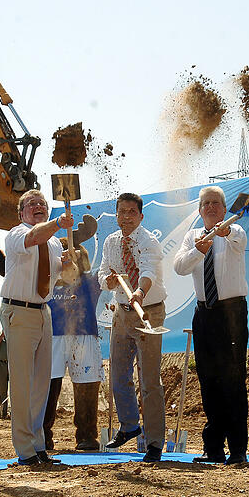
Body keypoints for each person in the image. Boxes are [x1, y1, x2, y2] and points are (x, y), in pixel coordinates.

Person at [173, 185, 249, 465]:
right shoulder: (192, 236)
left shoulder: (235, 230)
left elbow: (237, 240)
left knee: (233, 380)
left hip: (231, 313)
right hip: (204, 313)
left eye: (216, 203)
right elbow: (180, 266)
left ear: (224, 208)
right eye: (206, 203)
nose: (211, 207)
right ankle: (213, 448)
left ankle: (238, 449)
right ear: (200, 209)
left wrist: (224, 231)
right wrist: (198, 250)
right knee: (208, 381)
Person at [0, 190, 73, 465]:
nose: (38, 206)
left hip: (44, 312)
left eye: (42, 203)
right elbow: (33, 238)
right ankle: (25, 450)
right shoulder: (16, 233)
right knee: (22, 383)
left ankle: (39, 444)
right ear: (21, 214)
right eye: (31, 204)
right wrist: (58, 224)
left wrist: (66, 266)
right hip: (18, 310)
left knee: (42, 381)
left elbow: (57, 278)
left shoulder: (54, 243)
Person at [99, 192, 168, 462]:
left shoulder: (149, 241)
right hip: (121, 313)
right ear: (116, 215)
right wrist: (110, 281)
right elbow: (102, 274)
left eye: (131, 212)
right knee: (118, 374)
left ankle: (154, 443)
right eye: (121, 212)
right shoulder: (111, 242)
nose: (126, 217)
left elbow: (149, 272)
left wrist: (139, 292)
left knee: (150, 380)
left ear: (140, 215)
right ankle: (129, 425)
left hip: (148, 312)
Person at [48, 238, 105, 451]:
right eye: (61, 252)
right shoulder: (47, 280)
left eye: (71, 252)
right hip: (53, 336)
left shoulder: (89, 281)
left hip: (84, 335)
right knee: (48, 385)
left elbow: (110, 275)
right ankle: (43, 434)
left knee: (87, 384)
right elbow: (19, 277)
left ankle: (87, 435)